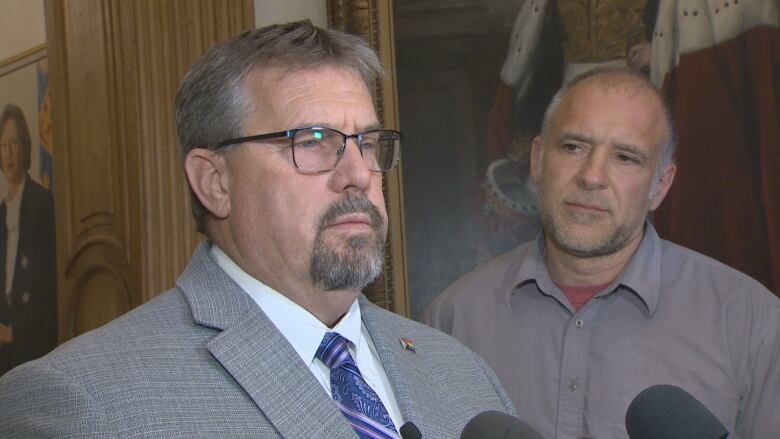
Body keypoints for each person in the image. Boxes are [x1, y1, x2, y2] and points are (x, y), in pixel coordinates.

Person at [0, 21, 515, 438]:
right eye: (313, 141)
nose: (359, 172)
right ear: (214, 181)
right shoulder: (83, 403)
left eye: (368, 141)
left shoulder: (465, 377)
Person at [423, 67, 780, 439]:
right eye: (573, 147)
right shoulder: (451, 324)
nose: (592, 176)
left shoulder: (752, 325)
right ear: (537, 160)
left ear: (661, 185)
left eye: (625, 157)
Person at [0, 104, 57, 375]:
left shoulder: (41, 203)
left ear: (25, 147)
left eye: (14, 142)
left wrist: (15, 331)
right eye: (3, 144)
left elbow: (48, 285)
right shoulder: (1, 212)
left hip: (33, 345)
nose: (9, 153)